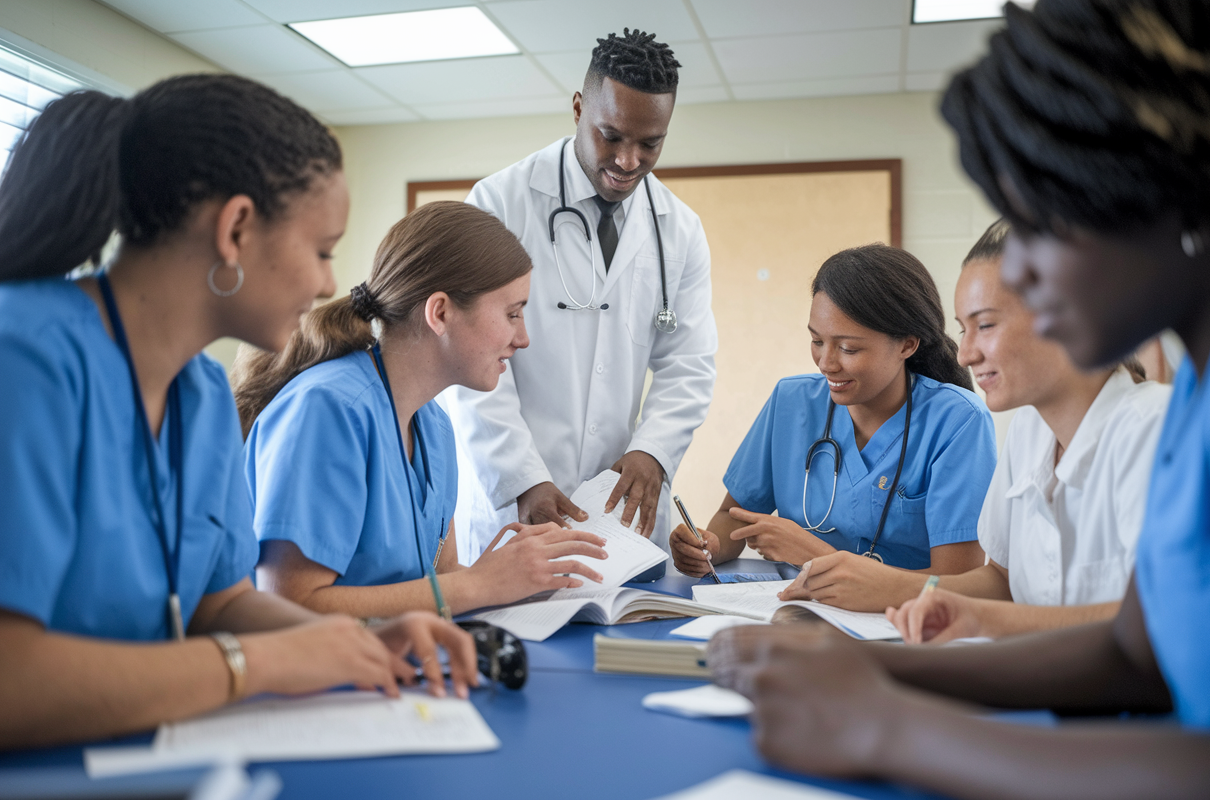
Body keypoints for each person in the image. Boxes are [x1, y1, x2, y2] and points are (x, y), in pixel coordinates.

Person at [707, 1, 1210, 796]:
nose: (1030, 277)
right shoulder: (1208, 381)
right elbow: (1133, 654)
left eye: (1044, 220)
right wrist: (858, 662)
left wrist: (883, 723)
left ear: (1156, 174)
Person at [0, 75, 476, 751]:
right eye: (321, 251)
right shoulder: (24, 357)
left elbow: (217, 604)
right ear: (237, 229)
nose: (324, 284)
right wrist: (257, 664)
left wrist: (349, 640)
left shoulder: (198, 390)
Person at [234, 201, 609, 619]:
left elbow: (442, 587)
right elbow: (286, 602)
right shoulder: (327, 410)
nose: (522, 338)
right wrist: (480, 583)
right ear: (441, 312)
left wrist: (522, 579)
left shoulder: (434, 427)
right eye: (512, 313)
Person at [447, 29, 717, 565]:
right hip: (517, 503)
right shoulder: (500, 202)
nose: (629, 160)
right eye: (611, 136)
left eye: (650, 143)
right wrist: (522, 477)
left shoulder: (678, 230)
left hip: (621, 506)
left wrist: (652, 451)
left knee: (624, 639)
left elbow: (689, 363)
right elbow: (467, 355)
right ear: (577, 108)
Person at [873, 220, 1169, 641]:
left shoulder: (1152, 428)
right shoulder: (1030, 428)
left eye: (986, 325)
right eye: (963, 329)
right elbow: (1001, 577)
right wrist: (923, 597)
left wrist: (983, 621)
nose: (967, 354)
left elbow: (1162, 619)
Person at [671, 244, 997, 574]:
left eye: (848, 348)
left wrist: (813, 553)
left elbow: (955, 582)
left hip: (898, 621)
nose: (826, 364)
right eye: (817, 341)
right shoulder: (792, 402)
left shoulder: (958, 422)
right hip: (792, 610)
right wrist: (708, 546)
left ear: (907, 344)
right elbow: (733, 517)